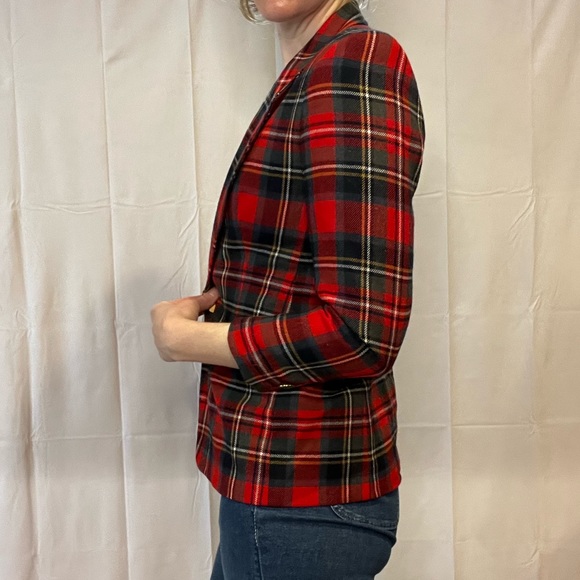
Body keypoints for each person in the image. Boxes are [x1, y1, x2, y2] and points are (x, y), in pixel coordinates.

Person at [151, 0, 424, 577]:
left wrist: (188, 340)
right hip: (283, 493)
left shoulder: (355, 63)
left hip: (303, 498)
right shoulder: (313, 68)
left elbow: (362, 331)